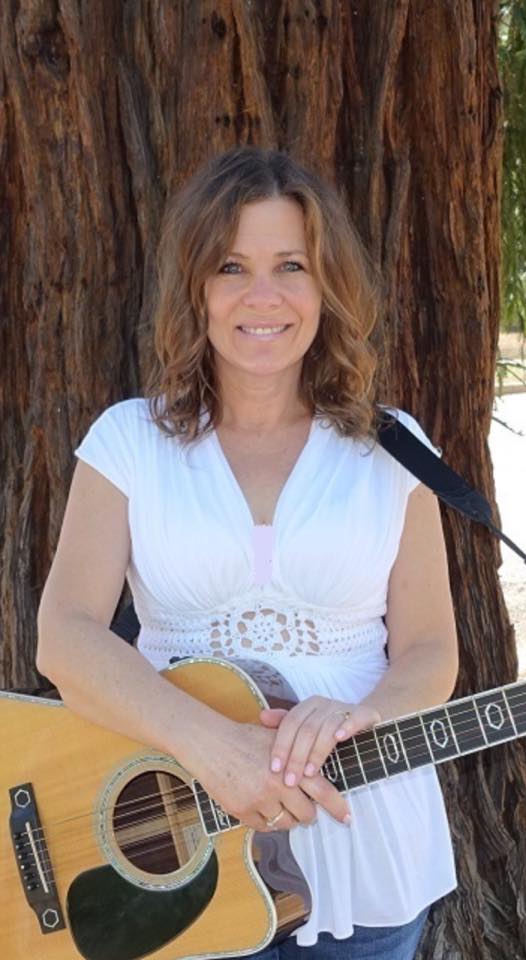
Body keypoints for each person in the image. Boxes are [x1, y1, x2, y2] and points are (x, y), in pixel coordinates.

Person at [36, 146, 459, 959]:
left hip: (363, 851)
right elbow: (65, 637)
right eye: (232, 265)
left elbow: (432, 650)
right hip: (169, 854)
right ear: (196, 286)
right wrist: (216, 750)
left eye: (291, 265)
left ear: (326, 286)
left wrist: (362, 713)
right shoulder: (128, 441)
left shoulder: (393, 449)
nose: (262, 296)